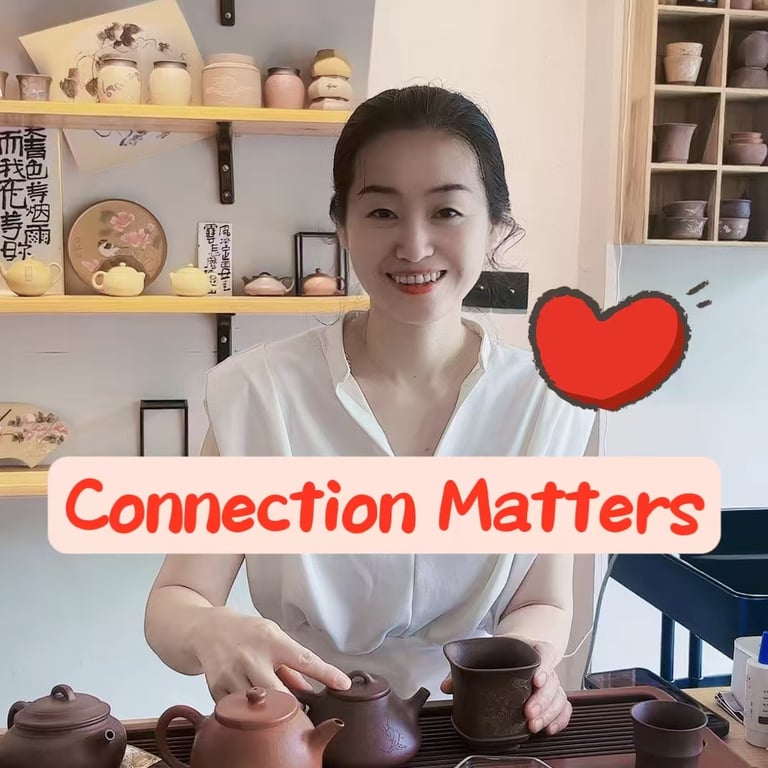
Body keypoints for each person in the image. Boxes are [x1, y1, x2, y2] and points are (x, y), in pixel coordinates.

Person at [144, 84, 596, 738]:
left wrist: (532, 664)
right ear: (343, 225)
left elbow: (543, 600)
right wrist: (211, 629)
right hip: (301, 730)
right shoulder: (259, 393)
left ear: (495, 226)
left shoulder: (545, 402)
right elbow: (173, 602)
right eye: (382, 212)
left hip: (470, 728)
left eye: (446, 211)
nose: (413, 245)